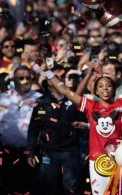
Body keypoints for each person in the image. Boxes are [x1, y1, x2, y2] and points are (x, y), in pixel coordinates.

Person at [33, 61, 122, 195]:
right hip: (96, 160)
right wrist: (47, 72)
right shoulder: (90, 106)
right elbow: (65, 90)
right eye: (101, 86)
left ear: (114, 89)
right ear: (96, 91)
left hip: (119, 158)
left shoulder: (121, 104)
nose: (105, 89)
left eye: (109, 86)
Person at [0, 65, 42, 194]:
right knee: (9, 188)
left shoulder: (39, 98)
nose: (25, 81)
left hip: (32, 153)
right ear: (14, 80)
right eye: (21, 78)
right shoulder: (3, 98)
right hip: (8, 153)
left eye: (28, 77)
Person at [27, 65, 86, 195]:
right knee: (47, 187)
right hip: (48, 152)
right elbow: (33, 129)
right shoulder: (41, 102)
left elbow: (83, 127)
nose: (59, 79)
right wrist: (30, 152)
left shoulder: (74, 100)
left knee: (72, 188)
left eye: (61, 77)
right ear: (49, 81)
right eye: (55, 77)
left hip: (70, 151)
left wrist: (86, 151)